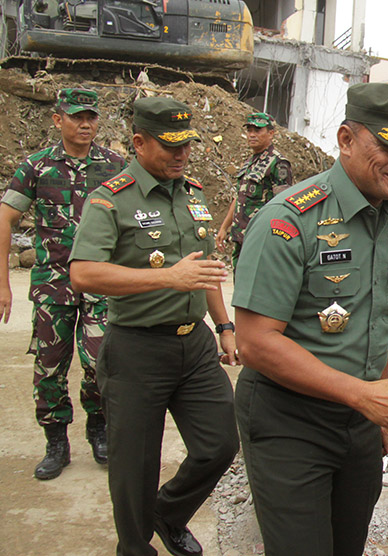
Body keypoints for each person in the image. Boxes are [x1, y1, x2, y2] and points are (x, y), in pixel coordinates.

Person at [231, 82, 388, 556]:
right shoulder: (289, 220)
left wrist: (380, 397)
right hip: (289, 418)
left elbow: (381, 315)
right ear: (346, 139)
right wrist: (365, 395)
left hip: (361, 418)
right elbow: (256, 343)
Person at [69, 97, 239, 556]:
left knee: (221, 443)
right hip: (137, 349)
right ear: (139, 142)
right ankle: (135, 546)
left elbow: (202, 271)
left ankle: (168, 512)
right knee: (134, 469)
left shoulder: (193, 193)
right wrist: (168, 277)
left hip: (196, 346)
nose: (181, 154)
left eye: (186, 144)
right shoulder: (111, 199)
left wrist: (223, 324)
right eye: (170, 146)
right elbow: (83, 273)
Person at [0, 88, 126, 480]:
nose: (85, 124)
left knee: (98, 362)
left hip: (100, 284)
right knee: (50, 365)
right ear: (59, 120)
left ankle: (98, 428)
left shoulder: (115, 165)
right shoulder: (36, 167)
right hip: (53, 284)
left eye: (91, 117)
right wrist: (2, 284)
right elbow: (5, 219)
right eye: (76, 117)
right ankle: (56, 440)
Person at [215, 112, 293, 269]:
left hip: (260, 239)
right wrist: (224, 227)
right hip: (241, 237)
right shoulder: (250, 163)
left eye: (257, 131)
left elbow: (283, 206)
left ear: (271, 133)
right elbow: (239, 198)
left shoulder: (278, 164)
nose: (251, 135)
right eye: (249, 130)